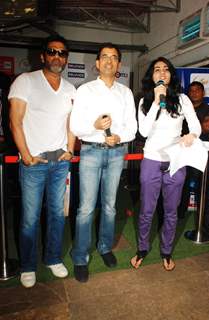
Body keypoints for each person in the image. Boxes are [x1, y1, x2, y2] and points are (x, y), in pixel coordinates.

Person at [9, 35, 76, 288]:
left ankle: (52, 258)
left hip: (60, 162)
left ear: (66, 58)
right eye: (52, 51)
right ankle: (28, 265)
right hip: (33, 163)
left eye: (62, 53)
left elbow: (71, 123)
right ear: (43, 56)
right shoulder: (25, 81)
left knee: (58, 215)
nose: (57, 56)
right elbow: (15, 121)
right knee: (30, 217)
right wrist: (25, 155)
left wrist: (70, 149)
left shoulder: (70, 88)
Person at [70, 42, 137, 282]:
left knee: (110, 206)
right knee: (86, 208)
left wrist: (120, 136)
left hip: (117, 152)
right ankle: (80, 257)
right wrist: (95, 127)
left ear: (119, 64)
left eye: (114, 57)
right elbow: (76, 127)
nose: (109, 61)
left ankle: (105, 247)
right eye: (104, 57)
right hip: (90, 152)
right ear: (97, 63)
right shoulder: (85, 90)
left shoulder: (125, 92)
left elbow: (132, 128)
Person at [130, 57, 201, 271]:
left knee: (171, 211)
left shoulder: (182, 99)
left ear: (171, 75)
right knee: (146, 210)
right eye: (157, 70)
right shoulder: (144, 101)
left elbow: (196, 125)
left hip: (176, 161)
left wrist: (192, 135)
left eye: (166, 69)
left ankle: (166, 251)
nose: (162, 73)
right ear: (151, 76)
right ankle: (142, 248)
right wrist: (155, 103)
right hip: (151, 159)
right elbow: (143, 131)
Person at [178, 81, 209, 232]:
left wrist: (191, 126)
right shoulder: (182, 108)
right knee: (181, 184)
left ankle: (206, 222)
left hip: (202, 152)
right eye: (191, 91)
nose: (194, 93)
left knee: (203, 185)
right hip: (184, 150)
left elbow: (207, 127)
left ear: (203, 93)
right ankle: (179, 216)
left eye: (197, 90)